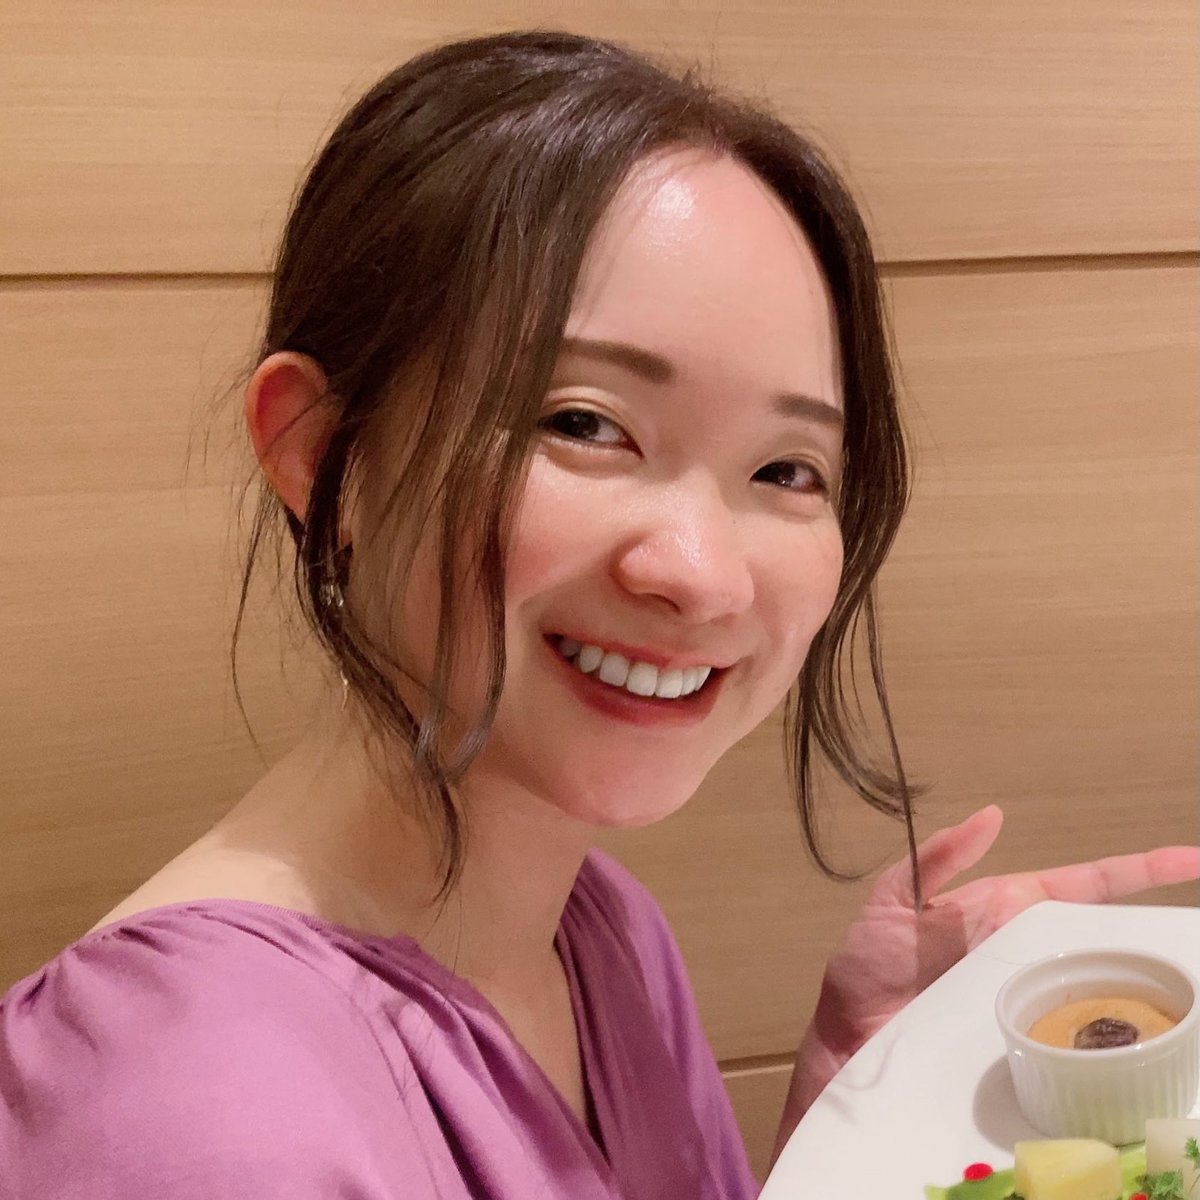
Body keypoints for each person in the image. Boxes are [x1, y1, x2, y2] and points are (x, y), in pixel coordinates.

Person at [1, 30, 1196, 1200]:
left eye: (787, 470)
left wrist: (854, 1088)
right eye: (583, 424)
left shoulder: (598, 928)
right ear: (322, 454)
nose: (703, 575)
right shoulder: (189, 1119)